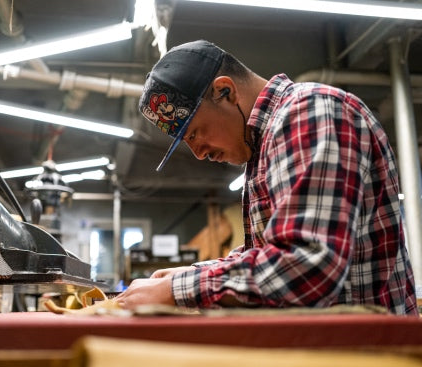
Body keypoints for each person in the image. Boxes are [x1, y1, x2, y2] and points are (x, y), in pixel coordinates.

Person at [116, 40, 418, 315]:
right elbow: (265, 254)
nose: (198, 153)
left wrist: (178, 291)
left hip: (371, 361)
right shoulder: (264, 141)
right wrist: (189, 275)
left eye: (194, 133)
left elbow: (306, 268)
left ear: (225, 91)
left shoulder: (310, 112)